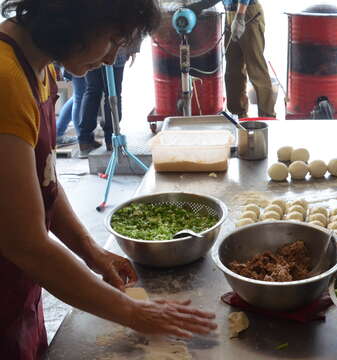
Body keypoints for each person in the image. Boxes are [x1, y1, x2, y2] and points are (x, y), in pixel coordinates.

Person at [0, 1, 217, 358]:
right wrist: (135, 312)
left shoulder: (41, 68)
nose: (110, 58)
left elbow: (46, 182)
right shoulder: (4, 80)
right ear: (77, 17)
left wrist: (91, 251)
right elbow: (25, 244)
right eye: (114, 40)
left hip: (19, 291)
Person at [187, 0, 276, 119]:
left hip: (247, 12)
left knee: (256, 69)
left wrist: (240, 16)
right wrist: (195, 7)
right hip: (230, 14)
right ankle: (238, 116)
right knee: (233, 70)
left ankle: (267, 117)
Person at [78, 41, 140, 158]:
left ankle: (84, 140)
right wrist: (132, 48)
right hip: (115, 47)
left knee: (92, 91)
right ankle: (111, 138)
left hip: (90, 47)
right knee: (112, 92)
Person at [55, 71, 86, 147]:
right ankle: (82, 139)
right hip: (75, 61)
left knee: (78, 96)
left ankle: (58, 132)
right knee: (80, 95)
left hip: (73, 61)